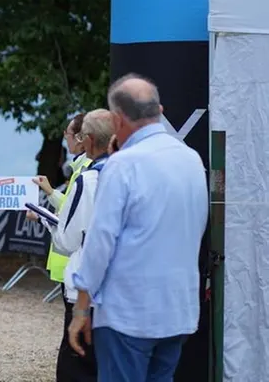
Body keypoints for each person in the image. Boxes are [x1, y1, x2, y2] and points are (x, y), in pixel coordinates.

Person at [68, 75, 208, 382]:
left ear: (117, 120)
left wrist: (81, 308)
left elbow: (100, 242)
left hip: (128, 313)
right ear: (160, 109)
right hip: (178, 309)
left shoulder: (122, 165)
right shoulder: (191, 159)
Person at [29, 109, 113, 382]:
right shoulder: (130, 173)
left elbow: (68, 238)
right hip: (124, 288)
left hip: (86, 286)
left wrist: (46, 221)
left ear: (87, 140)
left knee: (76, 361)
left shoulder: (87, 178)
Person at [32, 114, 91, 289]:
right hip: (69, 256)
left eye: (68, 133)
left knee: (72, 314)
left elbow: (72, 209)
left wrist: (41, 216)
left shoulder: (85, 169)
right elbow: (69, 204)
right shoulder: (79, 167)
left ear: (81, 139)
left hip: (73, 256)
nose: (65, 138)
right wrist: (50, 191)